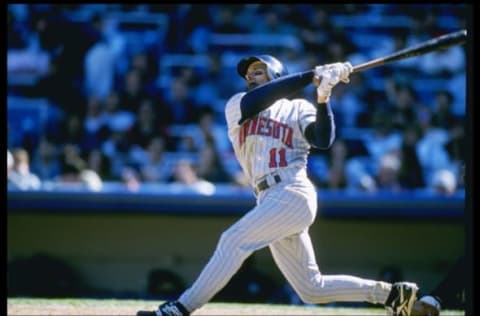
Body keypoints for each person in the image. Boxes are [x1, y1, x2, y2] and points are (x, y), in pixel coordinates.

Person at [137, 55, 419, 316]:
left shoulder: (297, 107)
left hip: (292, 191)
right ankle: (393, 295)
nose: (250, 77)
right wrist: (313, 75)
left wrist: (323, 96)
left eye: (258, 72)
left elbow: (322, 140)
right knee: (311, 288)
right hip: (268, 198)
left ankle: (180, 309)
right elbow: (262, 97)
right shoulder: (237, 105)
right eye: (248, 74)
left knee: (232, 240)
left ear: (276, 74)